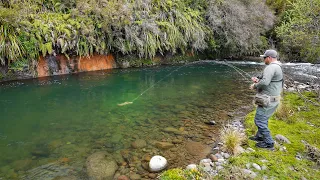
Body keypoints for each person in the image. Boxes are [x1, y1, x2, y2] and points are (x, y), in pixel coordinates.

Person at [249, 49, 283, 149]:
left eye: (264, 57)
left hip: (268, 100)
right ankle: (259, 137)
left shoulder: (270, 67)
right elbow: (267, 80)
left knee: (259, 120)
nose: (263, 59)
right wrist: (258, 79)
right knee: (264, 118)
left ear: (269, 58)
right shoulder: (278, 66)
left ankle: (269, 143)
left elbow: (265, 83)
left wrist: (254, 85)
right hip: (274, 99)